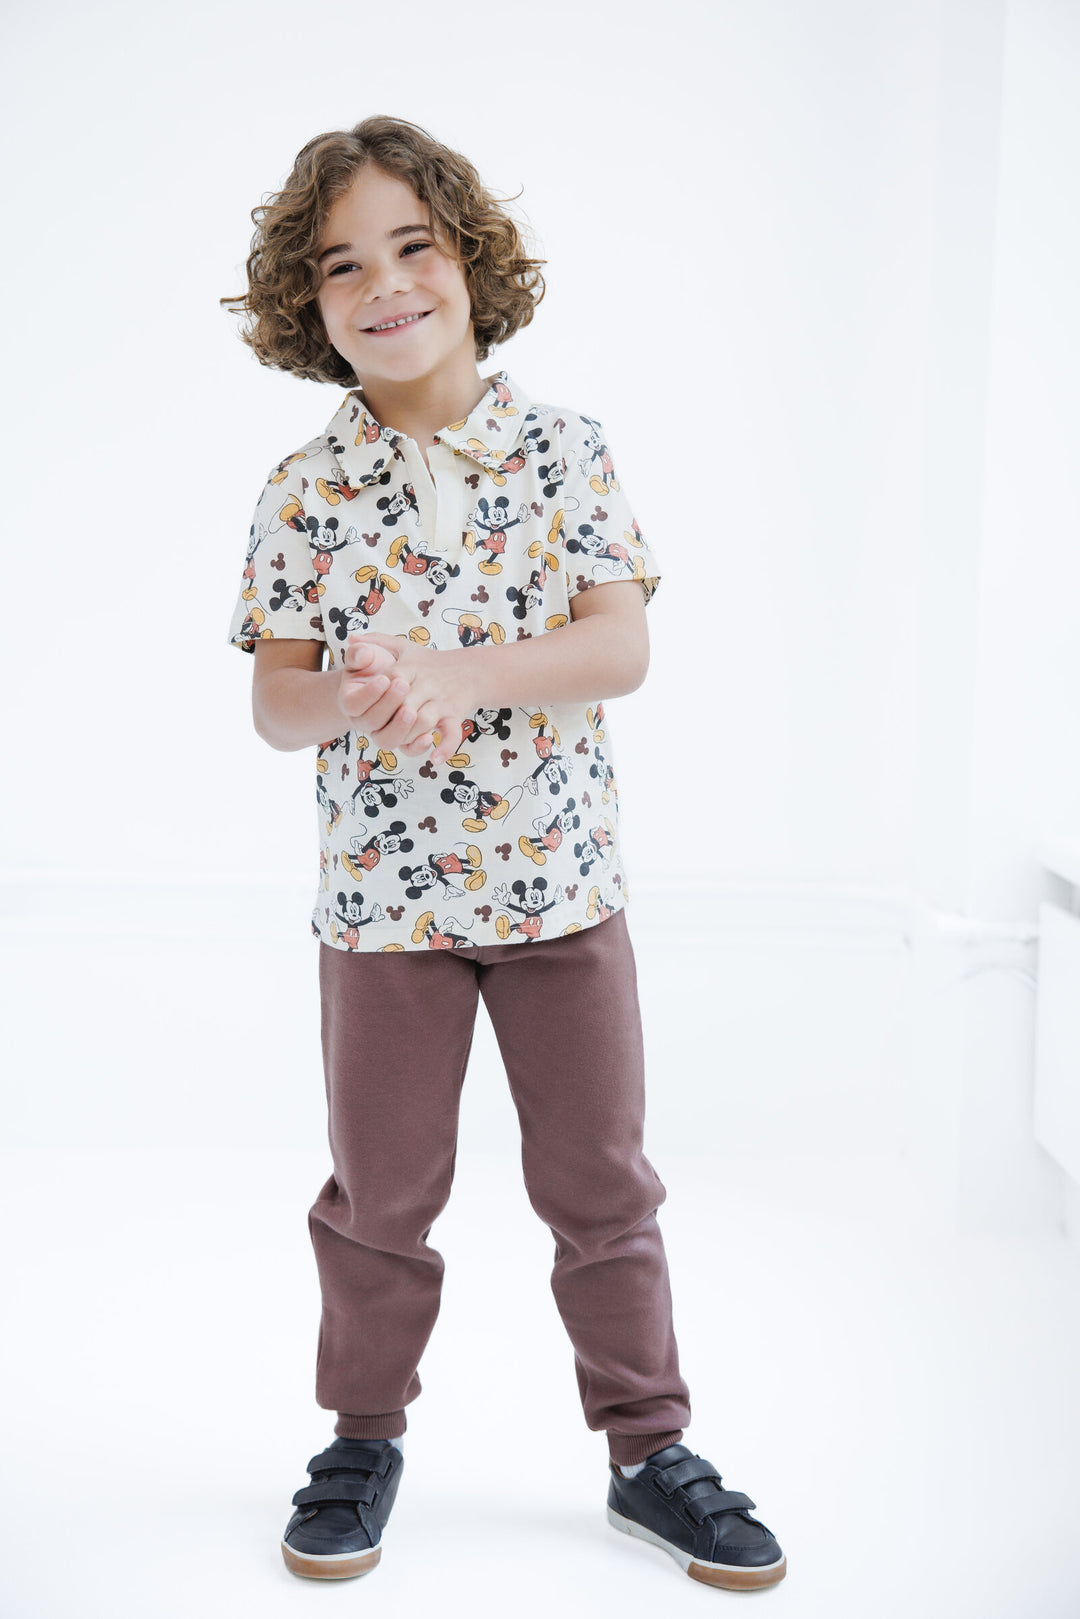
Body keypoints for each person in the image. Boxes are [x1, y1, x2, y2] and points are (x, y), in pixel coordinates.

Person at [221, 113, 786, 1592]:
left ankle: (650, 1451)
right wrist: (354, 694)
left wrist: (455, 674)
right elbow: (277, 706)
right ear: (307, 303)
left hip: (562, 894)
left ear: (471, 262)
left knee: (603, 1188)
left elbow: (619, 649)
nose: (385, 285)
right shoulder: (303, 491)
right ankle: (361, 1439)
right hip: (384, 911)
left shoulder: (567, 452)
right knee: (380, 1197)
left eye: (414, 246)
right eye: (342, 265)